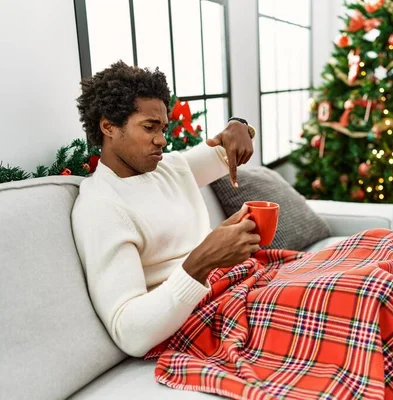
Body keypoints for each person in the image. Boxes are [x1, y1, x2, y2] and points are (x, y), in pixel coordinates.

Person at [72, 61, 260, 357]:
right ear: (108, 126)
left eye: (163, 127)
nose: (162, 139)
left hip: (245, 285)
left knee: (358, 260)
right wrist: (203, 260)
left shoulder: (169, 166)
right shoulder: (101, 207)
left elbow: (229, 145)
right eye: (149, 127)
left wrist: (239, 124)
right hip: (204, 319)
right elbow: (130, 333)